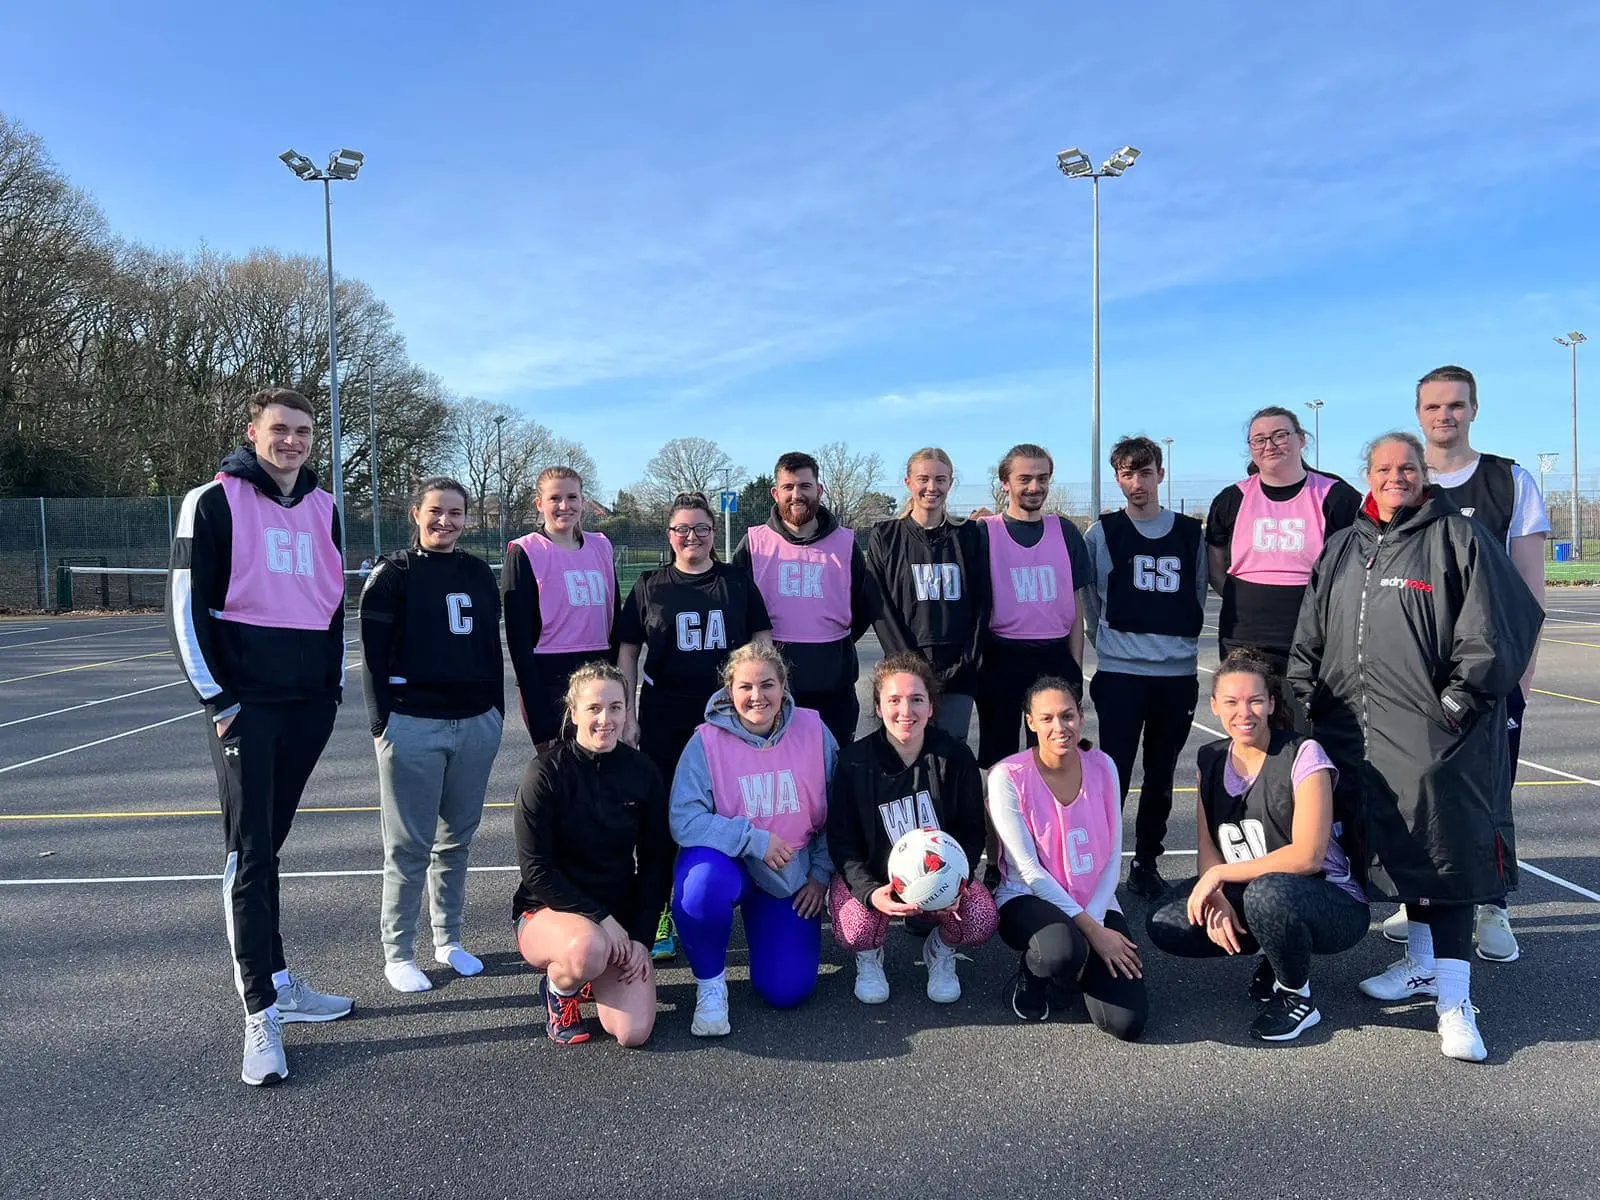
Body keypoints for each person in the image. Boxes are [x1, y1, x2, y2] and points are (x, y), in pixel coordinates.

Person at [1289, 431, 1542, 1062]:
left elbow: (1501, 626)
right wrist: (1303, 701)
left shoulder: (1458, 537)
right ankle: (1424, 964)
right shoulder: (1344, 548)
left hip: (1434, 739)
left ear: (1423, 473)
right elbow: (1310, 638)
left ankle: (1456, 1001)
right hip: (1355, 738)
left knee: (1445, 860)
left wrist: (1458, 702)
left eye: (1407, 467)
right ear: (1367, 475)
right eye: (1383, 468)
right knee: (1400, 857)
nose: (1395, 477)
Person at [166, 387, 352, 1087]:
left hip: (309, 705)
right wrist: (219, 699)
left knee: (269, 847)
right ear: (254, 432)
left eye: (303, 431)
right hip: (247, 706)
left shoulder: (326, 507)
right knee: (249, 855)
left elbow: (334, 605)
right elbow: (185, 610)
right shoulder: (209, 501)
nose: (293, 441)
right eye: (280, 429)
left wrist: (331, 690)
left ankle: (278, 978)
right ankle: (260, 1012)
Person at [1378, 365, 1551, 961]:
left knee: (1490, 789)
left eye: (1455, 405)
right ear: (1418, 412)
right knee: (1418, 791)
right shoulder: (1405, 482)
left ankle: (1494, 907)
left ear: (1473, 409)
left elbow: (1530, 587)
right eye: (1432, 407)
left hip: (1487, 673)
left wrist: (1519, 674)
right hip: (1417, 675)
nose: (1443, 416)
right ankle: (1420, 897)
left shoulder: (1508, 481)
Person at [1146, 650, 1368, 1042]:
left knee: (1269, 894)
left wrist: (1218, 876)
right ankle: (1277, 951)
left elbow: (1308, 855)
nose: (1243, 712)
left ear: (1271, 703)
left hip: (1331, 902)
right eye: (1231, 702)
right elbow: (1208, 847)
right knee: (1165, 921)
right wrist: (1215, 893)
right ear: (1214, 706)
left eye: (1254, 700)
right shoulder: (1209, 758)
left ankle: (1297, 996)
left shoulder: (1303, 754)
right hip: (1256, 892)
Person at [360, 477, 505, 993]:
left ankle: (449, 939)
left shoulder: (476, 573)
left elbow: (490, 647)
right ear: (416, 513)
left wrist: (495, 714)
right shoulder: (393, 573)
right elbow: (372, 658)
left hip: (474, 724)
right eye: (436, 511)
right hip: (413, 724)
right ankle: (397, 952)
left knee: (456, 842)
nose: (445, 521)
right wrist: (383, 725)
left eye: (456, 513)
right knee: (407, 847)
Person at [618, 492, 773, 959]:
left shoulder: (736, 583)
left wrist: (764, 704)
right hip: (665, 714)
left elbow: (762, 642)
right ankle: (661, 910)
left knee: (734, 809)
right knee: (663, 817)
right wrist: (627, 713)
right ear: (669, 536)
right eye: (682, 529)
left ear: (713, 533)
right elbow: (627, 650)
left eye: (701, 529)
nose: (692, 537)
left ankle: (738, 904)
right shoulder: (650, 585)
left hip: (729, 714)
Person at [669, 643, 838, 1036]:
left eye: (767, 685)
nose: (756, 696)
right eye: (745, 686)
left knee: (787, 990)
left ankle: (769, 933)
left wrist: (819, 874)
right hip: (731, 865)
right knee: (700, 887)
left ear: (784, 687)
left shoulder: (814, 730)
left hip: (789, 874)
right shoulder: (706, 742)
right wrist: (752, 839)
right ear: (729, 691)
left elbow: (840, 808)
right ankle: (711, 987)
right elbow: (684, 818)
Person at [513, 662, 670, 1047]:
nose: (606, 719)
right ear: (573, 712)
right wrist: (600, 919)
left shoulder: (642, 772)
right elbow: (537, 872)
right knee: (587, 948)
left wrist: (640, 938)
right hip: (549, 912)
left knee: (632, 1034)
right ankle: (560, 990)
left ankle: (591, 975)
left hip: (617, 920)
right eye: (594, 708)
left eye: (616, 707)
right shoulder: (545, 774)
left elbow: (656, 862)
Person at [826, 653, 996, 1005]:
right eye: (894, 700)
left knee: (980, 918)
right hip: (879, 880)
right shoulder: (854, 762)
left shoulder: (955, 757)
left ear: (932, 706)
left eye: (917, 699)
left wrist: (954, 883)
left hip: (939, 880)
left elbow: (970, 830)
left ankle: (941, 950)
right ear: (878, 706)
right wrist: (870, 892)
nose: (906, 711)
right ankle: (869, 955)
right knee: (854, 928)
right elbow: (842, 843)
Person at [988, 678, 1148, 1040]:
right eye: (1046, 719)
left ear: (1081, 717)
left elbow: (1111, 855)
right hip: (1027, 897)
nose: (1059, 727)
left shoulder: (1104, 765)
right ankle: (1035, 974)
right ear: (1030, 721)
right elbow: (1029, 871)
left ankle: (1074, 972)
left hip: (1096, 900)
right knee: (1060, 950)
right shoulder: (1008, 777)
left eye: (1068, 716)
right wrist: (1094, 933)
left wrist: (1097, 919)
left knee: (1126, 1023)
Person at [1084, 436, 1206, 900]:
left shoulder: (1189, 532)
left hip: (1175, 676)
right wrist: (1108, 642)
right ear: (1118, 477)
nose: (1138, 482)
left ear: (1161, 472)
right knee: (1113, 774)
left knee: (1160, 775)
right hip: (1120, 675)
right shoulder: (1103, 532)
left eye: (1146, 471)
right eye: (1127, 474)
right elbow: (1092, 598)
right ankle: (1103, 867)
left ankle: (1146, 863)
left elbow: (1197, 591)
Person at [1206, 407, 1361, 726]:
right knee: (1251, 729)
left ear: (1302, 440)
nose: (1270, 445)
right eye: (1259, 439)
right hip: (1244, 636)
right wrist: (1239, 597)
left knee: (1307, 734)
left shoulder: (1336, 496)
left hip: (1312, 638)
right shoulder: (1231, 499)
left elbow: (1354, 568)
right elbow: (1216, 564)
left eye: (1280, 435)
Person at [733, 451, 878, 747]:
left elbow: (863, 607)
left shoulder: (846, 543)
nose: (796, 495)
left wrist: (834, 646)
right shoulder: (754, 543)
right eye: (788, 487)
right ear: (775, 493)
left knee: (834, 772)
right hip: (771, 685)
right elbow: (736, 609)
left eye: (804, 486)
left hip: (833, 685)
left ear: (819, 490)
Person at [974, 443, 1091, 769]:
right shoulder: (985, 532)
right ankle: (996, 822)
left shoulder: (1065, 531)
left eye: (1043, 478)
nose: (1035, 486)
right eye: (1025, 478)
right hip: (1002, 658)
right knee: (1002, 766)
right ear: (1005, 483)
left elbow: (1075, 606)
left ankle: (1050, 821)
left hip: (1054, 657)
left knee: (1054, 760)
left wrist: (1075, 667)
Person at [865, 447, 990, 742]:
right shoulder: (885, 536)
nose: (931, 487)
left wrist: (966, 660)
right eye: (923, 479)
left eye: (940, 479)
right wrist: (910, 664)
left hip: (958, 670)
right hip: (905, 669)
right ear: (908, 482)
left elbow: (983, 603)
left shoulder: (970, 535)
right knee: (907, 750)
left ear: (950, 482)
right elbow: (879, 606)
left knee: (950, 750)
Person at [503, 466, 619, 753]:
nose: (564, 506)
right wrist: (538, 713)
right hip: (549, 678)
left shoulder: (601, 546)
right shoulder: (525, 551)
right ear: (539, 504)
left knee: (602, 768)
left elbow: (615, 615)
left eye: (572, 497)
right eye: (555, 498)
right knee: (561, 772)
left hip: (599, 669)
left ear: (582, 501)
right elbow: (519, 641)